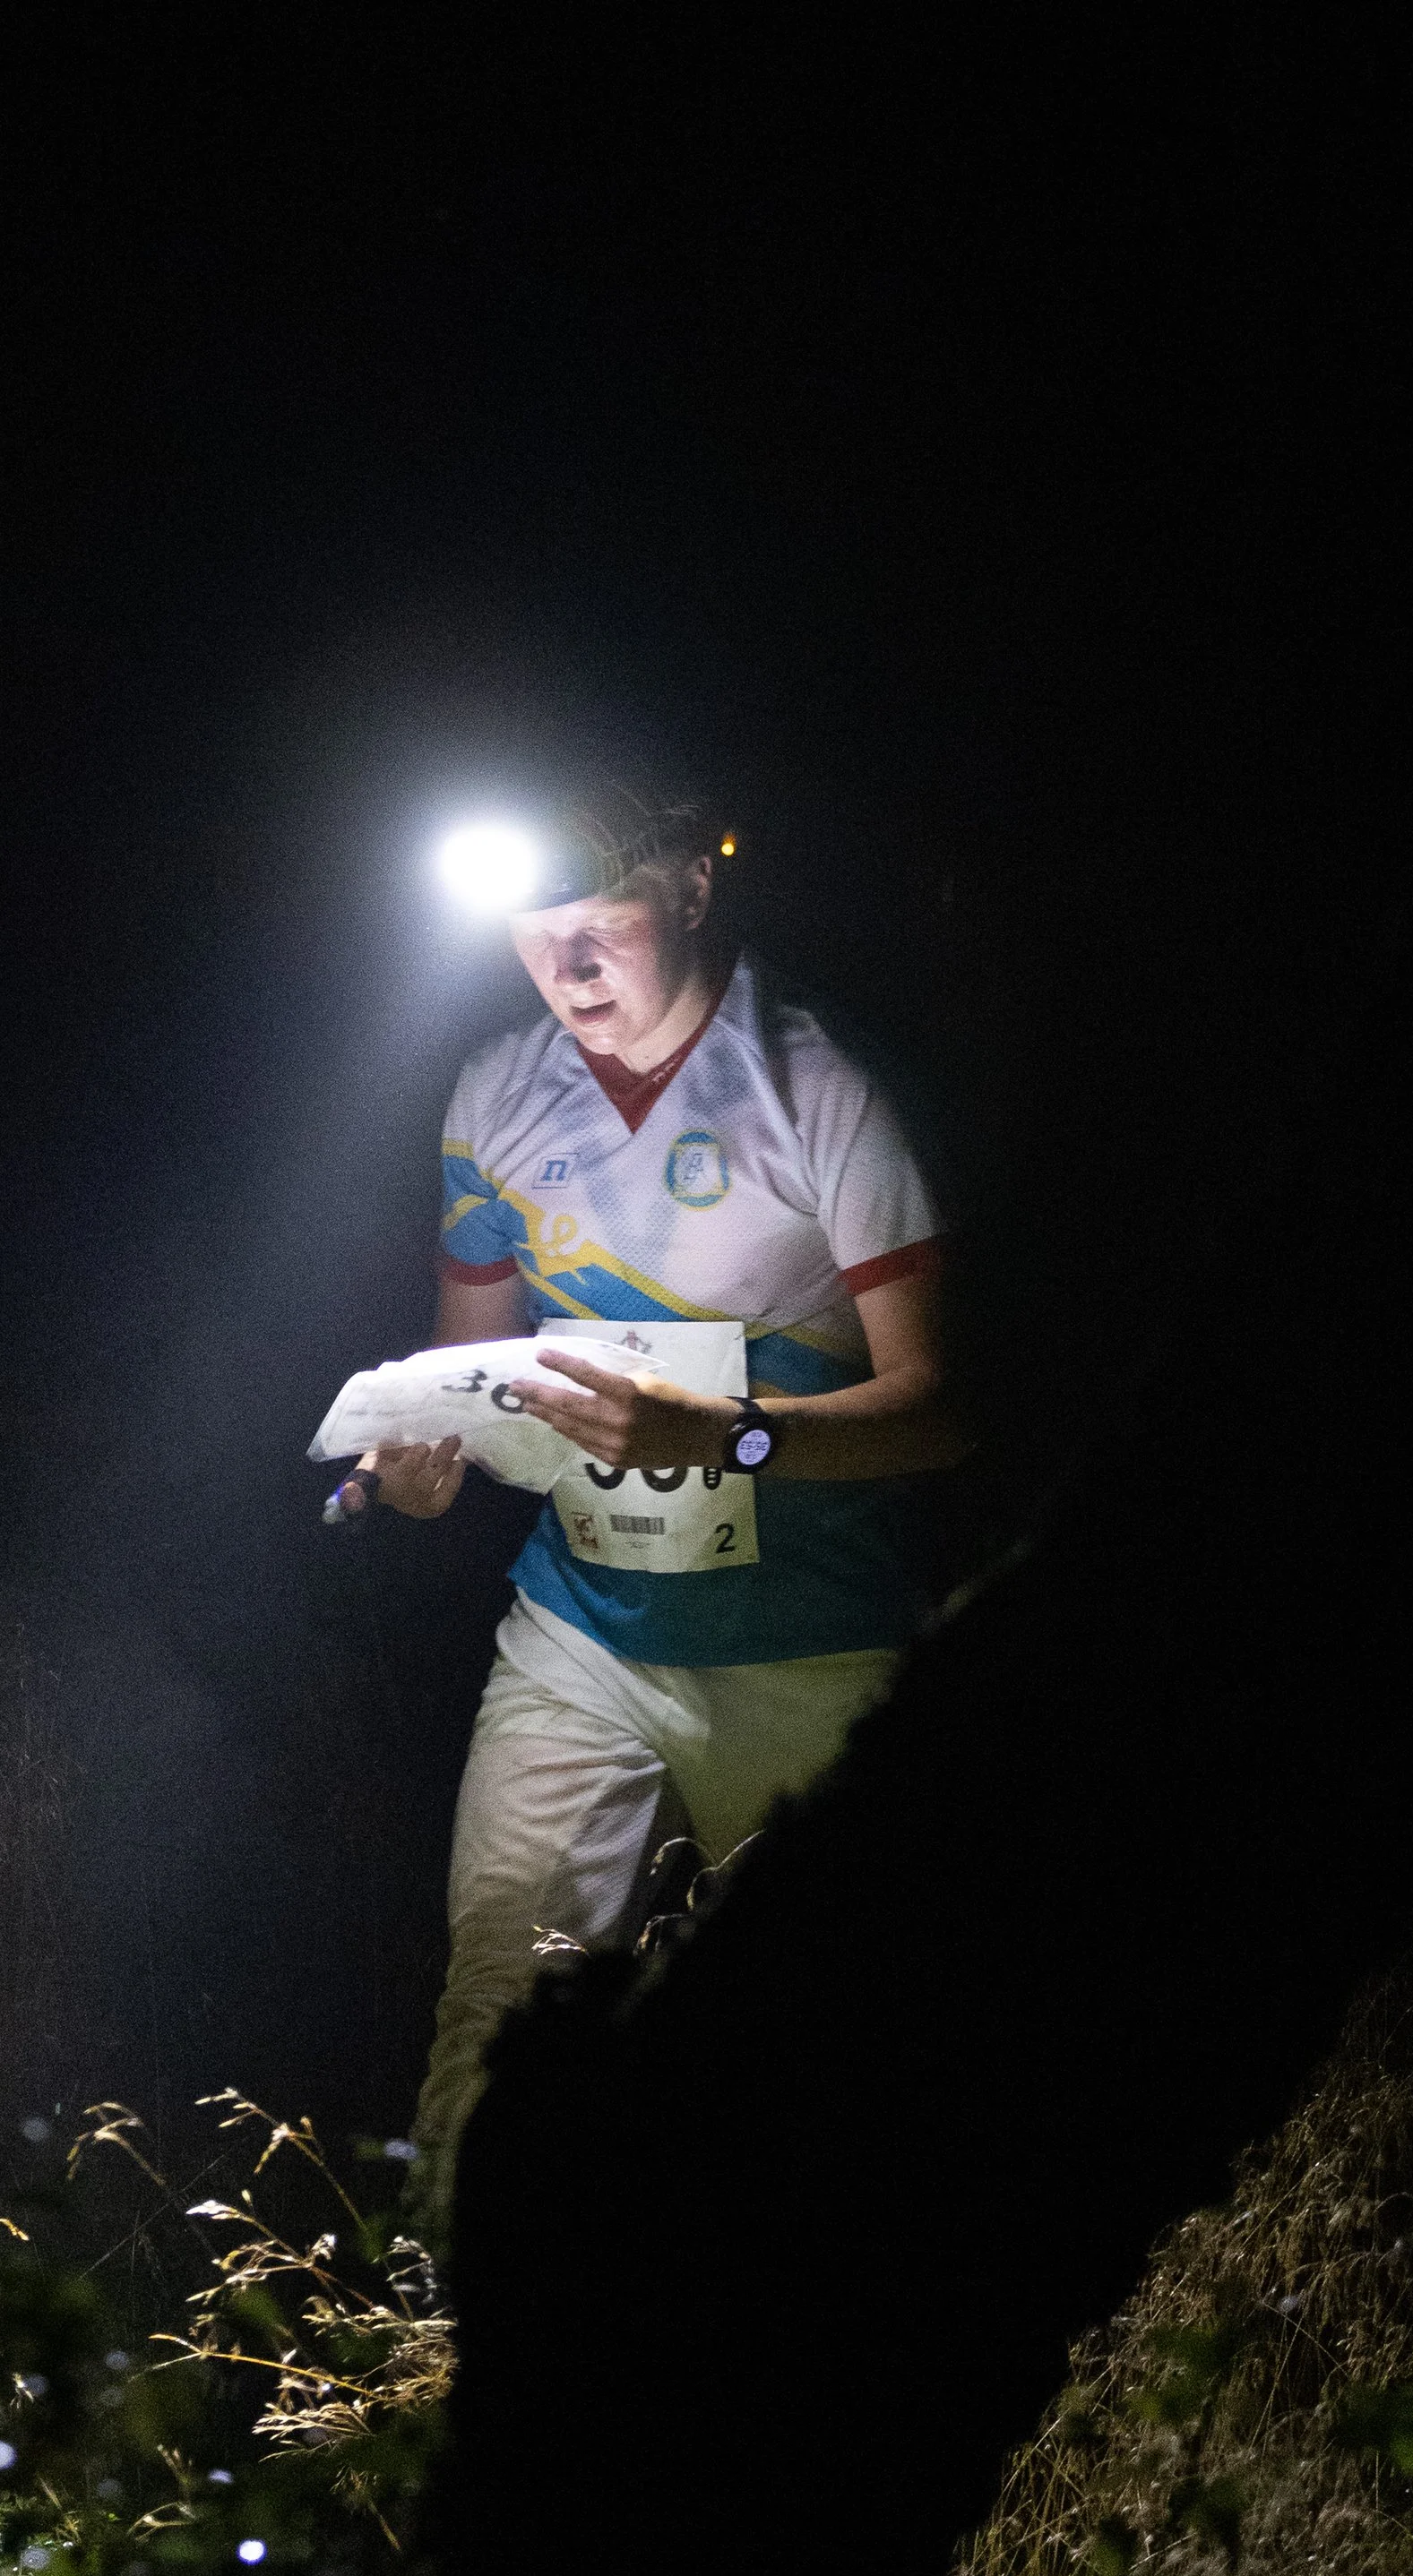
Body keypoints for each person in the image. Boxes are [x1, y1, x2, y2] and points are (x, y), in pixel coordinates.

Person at [366, 786, 966, 2223]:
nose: (567, 968)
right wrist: (415, 1456)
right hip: (582, 1632)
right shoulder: (493, 1093)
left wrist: (725, 1435)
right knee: (496, 2017)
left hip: (816, 1648)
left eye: (602, 924)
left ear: (696, 890)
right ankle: (433, 2384)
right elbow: (468, 1358)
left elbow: (943, 1410)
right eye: (535, 932)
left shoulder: (827, 1090)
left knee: (842, 2058)